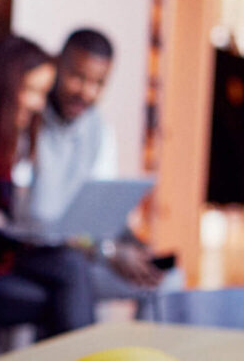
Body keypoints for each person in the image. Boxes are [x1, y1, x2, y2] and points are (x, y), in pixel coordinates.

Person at [15, 28, 183, 317]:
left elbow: (98, 214)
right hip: (42, 254)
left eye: (99, 83)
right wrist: (107, 251)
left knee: (168, 278)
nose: (87, 92)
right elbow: (32, 219)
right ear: (57, 65)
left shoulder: (100, 131)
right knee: (74, 268)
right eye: (77, 77)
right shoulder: (27, 118)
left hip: (88, 251)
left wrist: (122, 247)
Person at [0, 35, 97, 342]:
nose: (38, 104)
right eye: (31, 90)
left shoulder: (8, 139)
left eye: (43, 93)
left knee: (70, 267)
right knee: (68, 278)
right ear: (3, 85)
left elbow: (1, 208)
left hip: (1, 251)